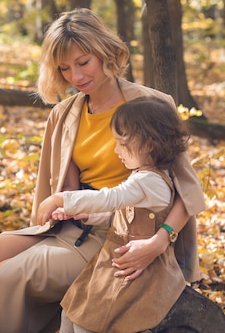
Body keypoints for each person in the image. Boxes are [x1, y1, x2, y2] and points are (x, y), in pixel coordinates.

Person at [0, 8, 205, 333]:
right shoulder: (65, 113)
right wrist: (50, 219)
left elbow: (188, 190)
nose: (76, 76)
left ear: (105, 52)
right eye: (64, 68)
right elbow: (54, 188)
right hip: (73, 226)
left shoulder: (151, 105)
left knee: (4, 277)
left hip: (122, 237)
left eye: (83, 62)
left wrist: (159, 241)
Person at [36, 96, 190, 333]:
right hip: (112, 259)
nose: (116, 150)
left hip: (133, 269)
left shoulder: (149, 181)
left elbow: (110, 198)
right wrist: (86, 216)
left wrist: (62, 199)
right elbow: (122, 214)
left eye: (122, 143)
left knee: (92, 322)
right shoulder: (143, 175)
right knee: (71, 310)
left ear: (149, 144)